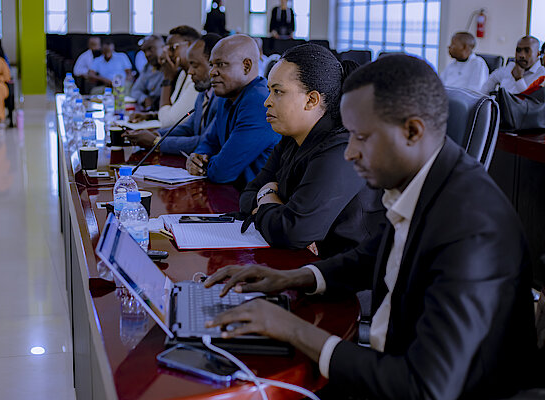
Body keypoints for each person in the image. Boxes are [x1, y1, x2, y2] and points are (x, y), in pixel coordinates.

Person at [204, 54, 538, 399]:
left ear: (412, 132)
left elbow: (425, 387)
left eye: (361, 137)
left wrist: (293, 329)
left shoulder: (471, 229)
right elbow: (374, 254)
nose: (349, 153)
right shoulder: (429, 180)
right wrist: (294, 277)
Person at [239, 44, 384, 258]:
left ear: (311, 100)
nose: (267, 102)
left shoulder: (342, 149)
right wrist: (273, 207)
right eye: (269, 91)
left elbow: (294, 232)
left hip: (348, 270)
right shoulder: (291, 138)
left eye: (278, 91)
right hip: (306, 261)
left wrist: (267, 197)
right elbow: (247, 196)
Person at [186, 35, 281, 187]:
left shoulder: (259, 102)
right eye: (211, 65)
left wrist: (206, 165)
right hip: (230, 191)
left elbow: (222, 172)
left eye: (221, 64)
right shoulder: (226, 96)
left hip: (254, 197)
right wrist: (197, 158)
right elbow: (209, 142)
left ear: (246, 66)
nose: (212, 72)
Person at [124, 34, 222, 155]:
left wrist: (156, 142)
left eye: (195, 66)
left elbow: (205, 142)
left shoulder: (221, 98)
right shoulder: (204, 91)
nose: (190, 72)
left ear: (213, 65)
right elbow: (189, 127)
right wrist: (157, 134)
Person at [129, 26, 200, 129]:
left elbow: (168, 122)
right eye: (167, 49)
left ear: (190, 46)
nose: (168, 54)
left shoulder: (196, 78)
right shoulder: (183, 74)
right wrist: (149, 115)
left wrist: (167, 79)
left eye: (172, 48)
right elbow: (172, 110)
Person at [129, 35, 164, 111]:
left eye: (150, 49)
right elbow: (135, 90)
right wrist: (144, 98)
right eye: (144, 51)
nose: (147, 54)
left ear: (163, 47)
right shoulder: (148, 68)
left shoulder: (171, 68)